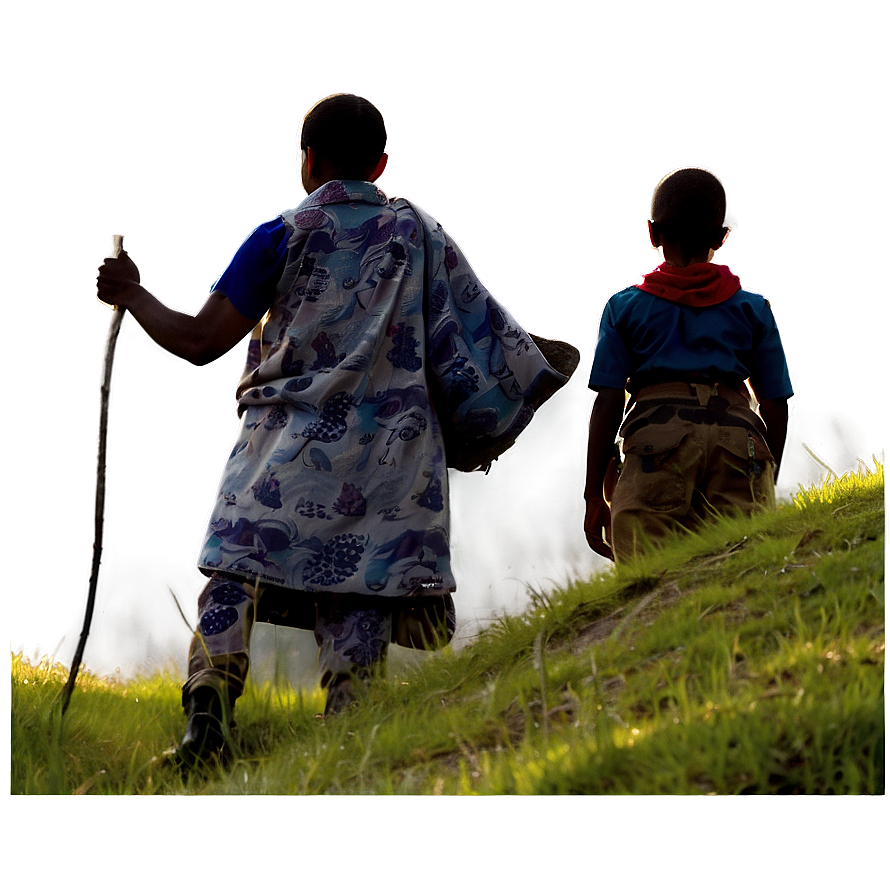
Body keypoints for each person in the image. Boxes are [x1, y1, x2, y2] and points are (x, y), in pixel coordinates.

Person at [96, 93, 574, 768]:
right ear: (381, 166)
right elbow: (473, 332)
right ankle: (351, 739)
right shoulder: (422, 236)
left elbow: (203, 340)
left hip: (283, 454)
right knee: (359, 586)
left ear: (307, 163)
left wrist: (133, 295)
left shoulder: (279, 237)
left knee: (232, 571)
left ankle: (206, 720)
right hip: (389, 461)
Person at [583, 166, 792, 563]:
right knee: (745, 574)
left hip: (654, 445)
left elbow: (608, 400)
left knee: (649, 583)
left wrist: (594, 494)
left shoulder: (624, 308)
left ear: (653, 233)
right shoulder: (753, 309)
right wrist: (766, 475)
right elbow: (776, 404)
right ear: (720, 237)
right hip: (739, 442)